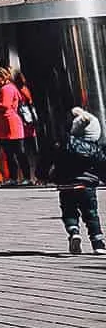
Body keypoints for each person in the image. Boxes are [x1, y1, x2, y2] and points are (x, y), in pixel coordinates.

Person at [43, 107, 106, 255]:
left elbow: (46, 161)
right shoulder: (94, 149)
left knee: (69, 212)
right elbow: (102, 166)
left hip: (65, 186)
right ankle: (98, 244)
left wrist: (44, 176)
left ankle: (74, 232)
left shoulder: (61, 145)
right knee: (91, 214)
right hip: (86, 186)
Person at [0, 64, 27, 186]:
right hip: (6, 125)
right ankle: (15, 177)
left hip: (10, 125)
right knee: (10, 154)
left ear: (1, 77)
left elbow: (5, 105)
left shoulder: (7, 89)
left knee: (16, 153)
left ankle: (23, 177)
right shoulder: (9, 88)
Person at [13, 70, 39, 184]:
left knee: (24, 151)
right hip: (29, 122)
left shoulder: (19, 90)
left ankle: (29, 176)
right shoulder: (26, 89)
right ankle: (34, 176)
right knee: (31, 150)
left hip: (24, 122)